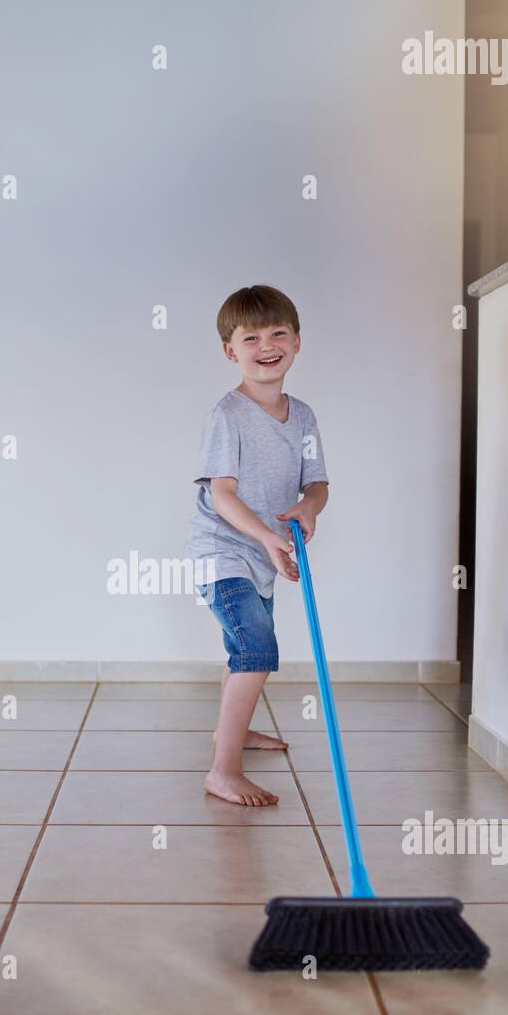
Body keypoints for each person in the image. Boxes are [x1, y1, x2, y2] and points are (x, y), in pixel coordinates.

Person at [184, 284, 329, 806]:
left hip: (265, 553)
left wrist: (308, 508)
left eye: (277, 333)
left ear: (296, 341)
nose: (266, 344)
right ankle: (222, 771)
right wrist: (268, 535)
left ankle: (235, 732)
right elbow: (221, 494)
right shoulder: (227, 415)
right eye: (251, 337)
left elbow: (317, 484)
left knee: (241, 649)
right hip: (222, 552)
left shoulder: (304, 416)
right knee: (257, 650)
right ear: (231, 351)